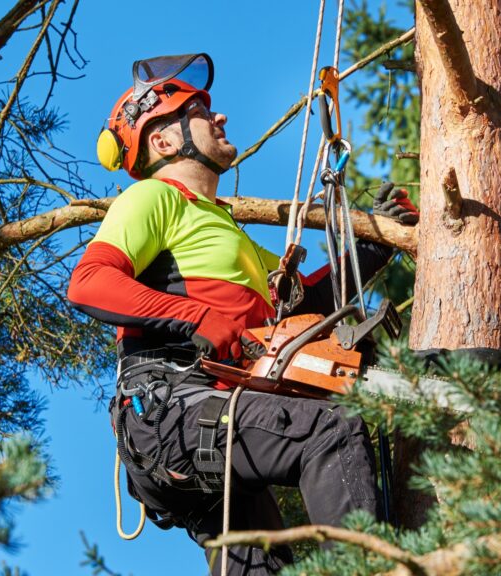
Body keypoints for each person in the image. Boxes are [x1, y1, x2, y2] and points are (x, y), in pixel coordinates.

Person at [68, 53, 419, 575]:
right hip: (172, 409)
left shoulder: (227, 235)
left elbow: (302, 309)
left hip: (208, 422)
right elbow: (89, 282)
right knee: (331, 429)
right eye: (200, 112)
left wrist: (371, 251)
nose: (220, 118)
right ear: (163, 141)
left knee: (259, 562)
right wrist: (193, 317)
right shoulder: (153, 199)